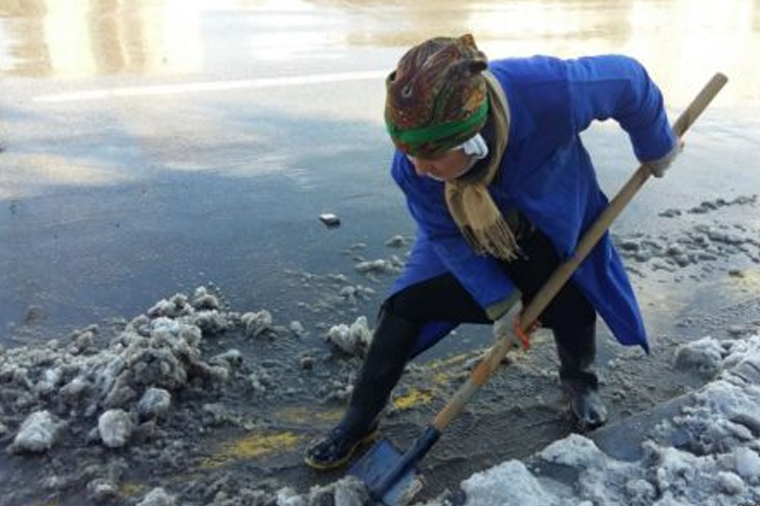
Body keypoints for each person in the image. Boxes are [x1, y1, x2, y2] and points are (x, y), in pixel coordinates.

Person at [304, 34, 678, 471]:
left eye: (432, 157)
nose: (418, 169)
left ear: (474, 138)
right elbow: (443, 237)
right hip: (465, 233)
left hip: (551, 213)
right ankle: (358, 420)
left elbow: (629, 81)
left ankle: (581, 382)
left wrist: (656, 147)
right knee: (407, 305)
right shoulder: (414, 167)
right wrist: (500, 302)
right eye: (408, 153)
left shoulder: (548, 92)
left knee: (572, 289)